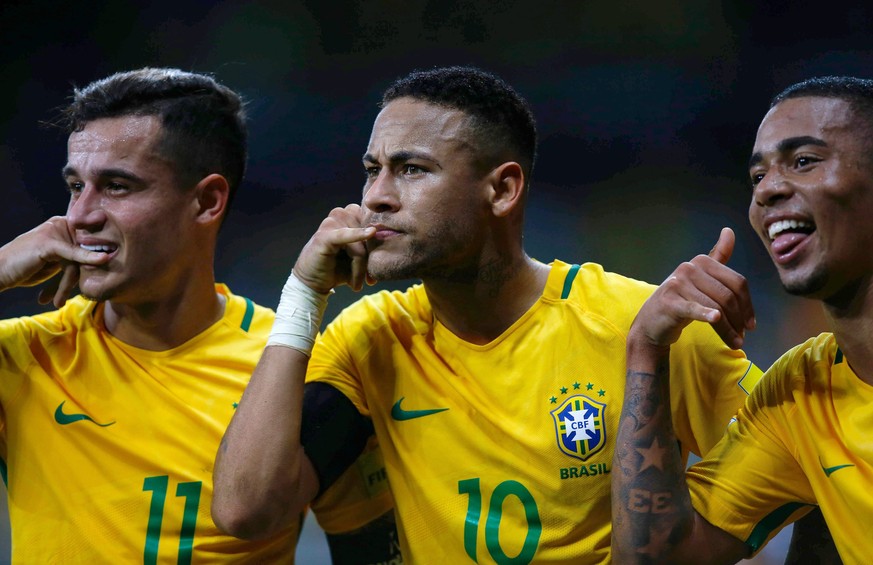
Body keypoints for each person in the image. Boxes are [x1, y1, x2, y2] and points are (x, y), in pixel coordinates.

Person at [211, 65, 767, 563]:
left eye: (411, 170)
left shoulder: (640, 325)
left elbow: (804, 468)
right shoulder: (370, 338)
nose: (376, 197)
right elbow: (244, 514)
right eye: (372, 169)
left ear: (502, 189)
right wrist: (302, 296)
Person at [0, 67, 397, 563]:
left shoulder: (299, 366)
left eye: (117, 186)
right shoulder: (23, 357)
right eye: (76, 185)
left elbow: (370, 551)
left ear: (207, 201)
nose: (80, 215)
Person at [610, 75, 871, 564]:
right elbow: (657, 557)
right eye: (757, 177)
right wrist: (646, 347)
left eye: (804, 161)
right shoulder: (800, 392)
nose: (769, 189)